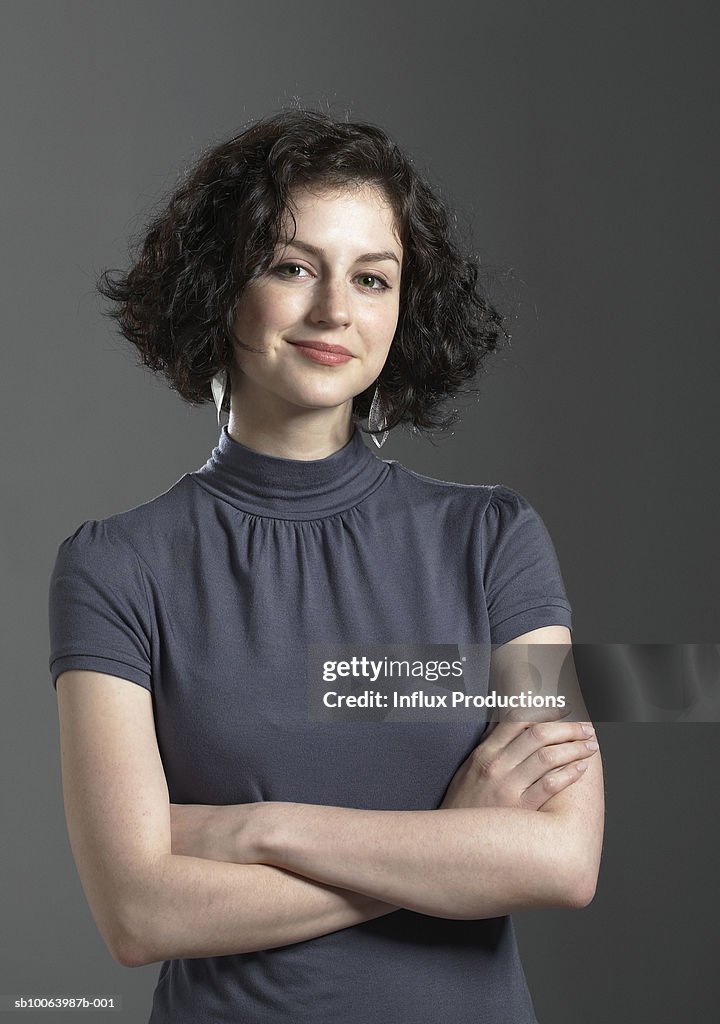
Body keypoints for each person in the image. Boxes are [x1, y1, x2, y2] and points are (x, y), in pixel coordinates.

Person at [48, 107, 604, 1024]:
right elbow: (139, 914)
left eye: (373, 277)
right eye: (292, 266)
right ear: (219, 285)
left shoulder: (499, 540)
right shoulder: (114, 569)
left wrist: (253, 831)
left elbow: (562, 859)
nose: (335, 310)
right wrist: (454, 848)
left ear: (403, 306)